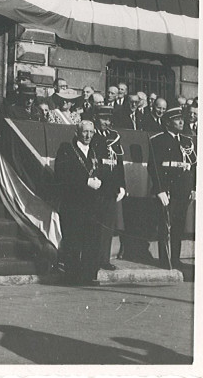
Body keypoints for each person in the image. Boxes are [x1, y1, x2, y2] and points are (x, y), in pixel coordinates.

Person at [54, 121, 103, 285]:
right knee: (73, 240)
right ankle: (72, 276)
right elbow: (61, 174)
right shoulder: (66, 149)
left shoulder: (94, 151)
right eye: (85, 132)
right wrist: (85, 181)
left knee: (91, 240)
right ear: (77, 133)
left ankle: (88, 275)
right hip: (73, 203)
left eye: (91, 132)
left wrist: (99, 181)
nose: (88, 135)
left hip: (91, 204)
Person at [148, 107, 196, 269]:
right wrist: (159, 189)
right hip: (167, 189)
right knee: (165, 225)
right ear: (168, 122)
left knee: (178, 225)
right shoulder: (158, 140)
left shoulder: (186, 141)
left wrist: (193, 188)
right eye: (177, 119)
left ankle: (175, 258)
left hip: (182, 189)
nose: (181, 122)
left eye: (182, 119)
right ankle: (165, 259)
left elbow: (194, 166)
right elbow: (153, 167)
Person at [91, 105, 126, 271]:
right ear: (96, 118)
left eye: (109, 119)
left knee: (108, 225)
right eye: (104, 118)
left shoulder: (114, 137)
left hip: (111, 188)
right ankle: (93, 259)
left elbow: (119, 164)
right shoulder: (92, 136)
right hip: (98, 187)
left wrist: (122, 185)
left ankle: (104, 259)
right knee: (95, 224)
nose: (107, 122)